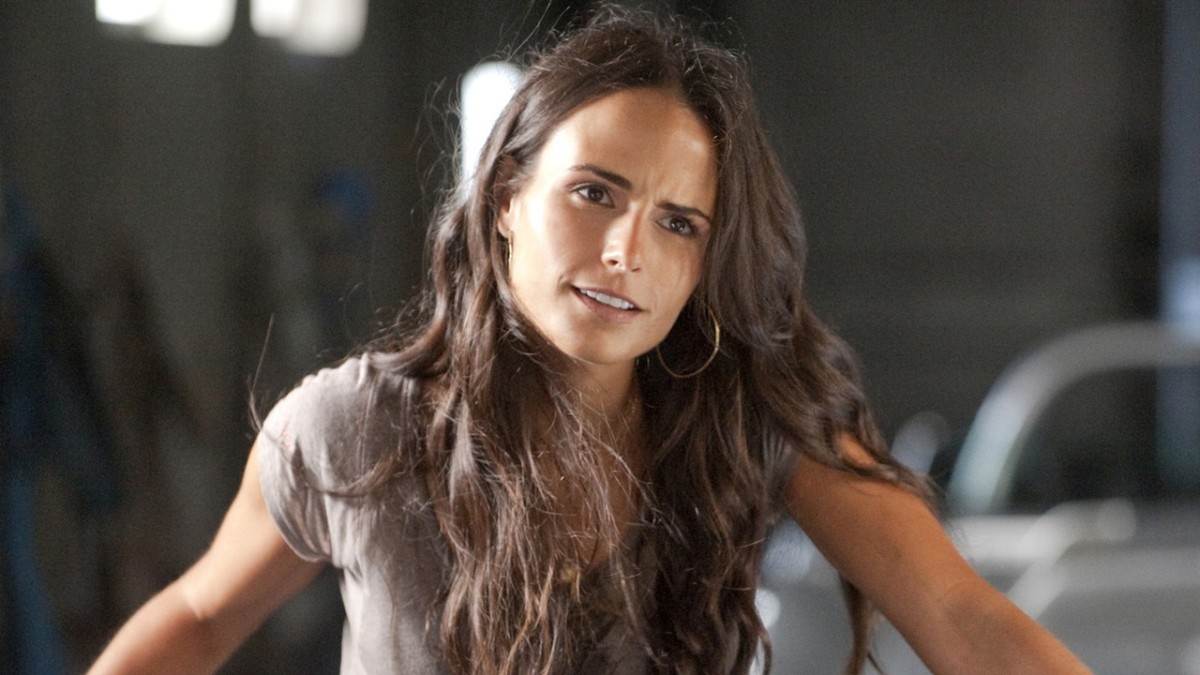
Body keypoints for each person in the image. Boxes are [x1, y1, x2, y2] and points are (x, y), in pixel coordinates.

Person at [89, 5, 1092, 674]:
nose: (626, 252)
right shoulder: (356, 429)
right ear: (506, 201)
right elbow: (201, 615)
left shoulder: (745, 419)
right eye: (594, 193)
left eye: (678, 223)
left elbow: (961, 615)